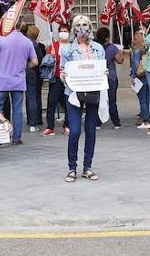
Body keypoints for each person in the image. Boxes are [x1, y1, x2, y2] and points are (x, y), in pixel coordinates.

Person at [61, 15, 106, 181]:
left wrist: (104, 73)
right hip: (73, 94)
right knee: (74, 131)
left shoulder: (98, 49)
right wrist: (64, 76)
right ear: (74, 28)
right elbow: (61, 71)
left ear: (90, 27)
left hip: (93, 92)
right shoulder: (67, 49)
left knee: (90, 130)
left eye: (85, 24)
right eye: (78, 25)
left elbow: (102, 68)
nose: (82, 28)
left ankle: (87, 167)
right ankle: (72, 167)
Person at [0, 22, 39, 144]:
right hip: (18, 80)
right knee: (17, 110)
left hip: (2, 80)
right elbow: (35, 62)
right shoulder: (27, 41)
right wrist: (25, 66)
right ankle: (16, 138)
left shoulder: (2, 38)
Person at [41, 24, 71, 135]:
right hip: (56, 78)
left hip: (68, 79)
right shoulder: (53, 46)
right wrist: (51, 55)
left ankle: (67, 125)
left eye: (66, 31)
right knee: (51, 102)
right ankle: (50, 126)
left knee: (68, 103)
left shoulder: (72, 46)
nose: (63, 33)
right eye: (62, 31)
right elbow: (46, 63)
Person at [99, 26, 123, 129]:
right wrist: (120, 52)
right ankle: (116, 122)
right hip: (111, 77)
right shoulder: (113, 48)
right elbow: (120, 61)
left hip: (99, 77)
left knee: (99, 100)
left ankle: (97, 122)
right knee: (112, 100)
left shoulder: (96, 48)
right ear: (107, 37)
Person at [130, 26, 150, 128]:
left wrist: (133, 76)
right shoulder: (148, 49)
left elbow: (135, 64)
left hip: (140, 77)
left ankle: (146, 121)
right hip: (149, 76)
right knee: (148, 100)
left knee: (142, 100)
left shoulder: (137, 51)